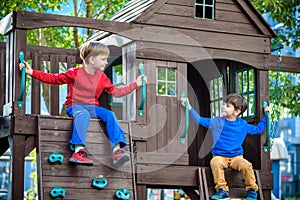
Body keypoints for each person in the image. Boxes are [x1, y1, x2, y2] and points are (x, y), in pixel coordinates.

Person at [19, 41, 147, 167]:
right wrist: (32, 72)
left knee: (109, 115)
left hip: (93, 108)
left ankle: (117, 150)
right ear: (92, 59)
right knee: (83, 114)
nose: (106, 62)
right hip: (74, 107)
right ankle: (78, 151)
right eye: (103, 59)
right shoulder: (74, 73)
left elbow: (117, 92)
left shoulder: (102, 77)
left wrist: (136, 84)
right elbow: (54, 79)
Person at [180, 93, 269, 200]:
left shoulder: (243, 125)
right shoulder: (217, 121)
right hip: (220, 156)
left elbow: (258, 129)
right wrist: (189, 107)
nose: (223, 107)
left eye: (227, 106)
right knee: (215, 162)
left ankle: (252, 190)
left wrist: (267, 115)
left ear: (237, 112)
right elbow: (200, 120)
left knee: (247, 165)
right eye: (223, 104)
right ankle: (222, 190)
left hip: (237, 157)